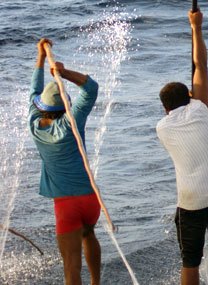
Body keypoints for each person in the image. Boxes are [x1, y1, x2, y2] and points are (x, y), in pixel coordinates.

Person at [155, 10, 208, 285]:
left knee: (190, 259)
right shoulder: (202, 109)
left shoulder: (162, 127)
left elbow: (179, 104)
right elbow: (200, 65)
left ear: (165, 108)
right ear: (189, 97)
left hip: (192, 201)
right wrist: (196, 27)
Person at [28, 38, 102, 285]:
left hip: (66, 206)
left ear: (42, 107)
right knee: (89, 233)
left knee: (71, 267)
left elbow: (33, 91)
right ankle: (96, 283)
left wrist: (40, 58)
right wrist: (63, 73)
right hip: (91, 200)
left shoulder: (34, 126)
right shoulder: (73, 122)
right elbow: (91, 88)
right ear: (65, 106)